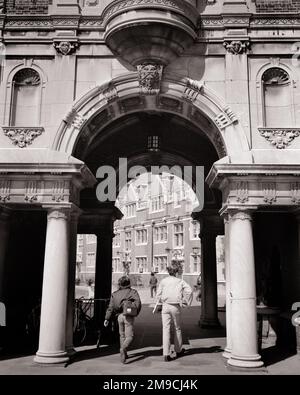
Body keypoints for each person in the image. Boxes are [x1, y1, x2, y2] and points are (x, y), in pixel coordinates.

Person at [156, 261, 193, 362]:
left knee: (165, 329)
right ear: (176, 271)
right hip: (176, 306)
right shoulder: (180, 281)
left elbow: (158, 294)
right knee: (177, 328)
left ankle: (166, 353)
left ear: (168, 272)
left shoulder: (163, 281)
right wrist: (186, 302)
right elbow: (189, 291)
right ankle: (178, 349)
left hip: (165, 306)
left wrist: (161, 301)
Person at [104, 276, 141, 363]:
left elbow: (110, 307)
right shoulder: (133, 292)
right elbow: (138, 304)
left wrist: (107, 318)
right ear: (128, 283)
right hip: (128, 316)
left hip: (119, 317)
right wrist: (135, 313)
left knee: (122, 336)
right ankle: (123, 348)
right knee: (130, 336)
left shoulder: (114, 294)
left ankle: (124, 354)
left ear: (120, 284)